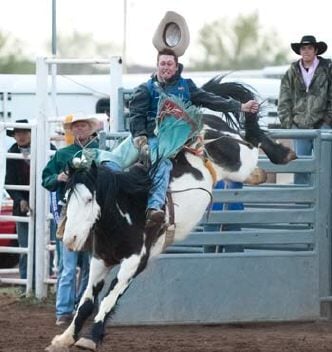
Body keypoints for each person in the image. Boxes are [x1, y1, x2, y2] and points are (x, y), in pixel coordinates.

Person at [104, 48, 259, 228]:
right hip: (148, 135)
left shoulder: (187, 87)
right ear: (157, 65)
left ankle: (154, 207)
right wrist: (140, 137)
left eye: (169, 64)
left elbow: (211, 100)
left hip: (171, 140)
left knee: (161, 162)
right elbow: (136, 116)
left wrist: (239, 106)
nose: (166, 67)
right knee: (114, 158)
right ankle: (102, 190)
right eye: (163, 63)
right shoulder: (145, 89)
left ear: (176, 67)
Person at [42, 113, 100, 325]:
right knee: (69, 265)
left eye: (83, 126)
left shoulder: (99, 152)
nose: (79, 129)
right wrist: (58, 177)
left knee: (88, 265)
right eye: (76, 127)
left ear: (90, 129)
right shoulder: (63, 155)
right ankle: (64, 310)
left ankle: (78, 307)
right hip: (68, 214)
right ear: (72, 130)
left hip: (91, 216)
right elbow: (46, 179)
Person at [278, 35, 332, 184]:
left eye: (309, 48)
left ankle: (327, 205)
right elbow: (284, 98)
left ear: (315, 50)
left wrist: (328, 119)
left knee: (326, 166)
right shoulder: (292, 71)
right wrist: (289, 125)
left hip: (324, 125)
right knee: (301, 166)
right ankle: (302, 203)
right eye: (303, 48)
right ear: (300, 51)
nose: (306, 51)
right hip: (299, 126)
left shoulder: (327, 68)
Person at [5, 120, 32, 283]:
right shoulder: (12, 152)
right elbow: (9, 182)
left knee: (44, 247)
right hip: (22, 205)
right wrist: (20, 199)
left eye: (24, 132)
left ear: (30, 134)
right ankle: (25, 283)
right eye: (17, 133)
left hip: (43, 205)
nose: (20, 136)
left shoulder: (46, 148)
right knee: (24, 248)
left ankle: (40, 282)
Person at [204, 180, 244, 254]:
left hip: (232, 217)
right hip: (212, 217)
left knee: (235, 255)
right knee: (210, 255)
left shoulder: (237, 169)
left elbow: (256, 178)